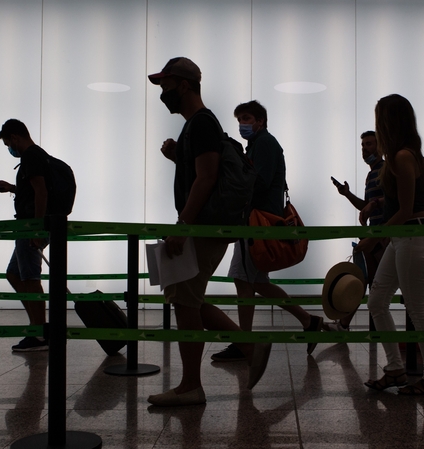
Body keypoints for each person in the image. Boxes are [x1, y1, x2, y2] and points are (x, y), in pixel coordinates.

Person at [145, 57, 271, 407]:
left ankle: (191, 385)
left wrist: (183, 226)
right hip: (204, 224)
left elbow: (207, 178)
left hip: (202, 226)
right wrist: (178, 157)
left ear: (184, 85)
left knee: (184, 298)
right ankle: (249, 346)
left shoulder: (201, 123)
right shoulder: (198, 125)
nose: (163, 93)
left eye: (166, 86)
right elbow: (203, 172)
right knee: (186, 296)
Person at [211, 100, 323, 362]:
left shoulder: (264, 143)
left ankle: (245, 342)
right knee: (253, 281)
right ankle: (307, 321)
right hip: (255, 221)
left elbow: (257, 183)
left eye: (246, 118)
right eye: (239, 120)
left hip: (257, 222)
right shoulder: (257, 144)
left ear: (260, 121)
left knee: (244, 279)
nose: (242, 124)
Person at [357, 94, 424, 395]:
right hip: (404, 238)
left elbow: (406, 210)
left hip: (414, 236)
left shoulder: (403, 156)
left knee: (418, 310)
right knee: (377, 301)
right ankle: (395, 369)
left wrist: (373, 237)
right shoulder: (401, 155)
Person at [0, 119, 53, 352]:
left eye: (9, 144)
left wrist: (36, 229)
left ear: (15, 137)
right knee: (14, 274)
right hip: (28, 226)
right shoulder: (37, 156)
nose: (10, 148)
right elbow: (32, 190)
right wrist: (11, 188)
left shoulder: (31, 157)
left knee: (30, 278)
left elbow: (41, 193)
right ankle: (37, 326)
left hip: (30, 227)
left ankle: (39, 334)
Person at [327, 131, 387, 332]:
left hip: (383, 236)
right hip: (374, 236)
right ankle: (345, 324)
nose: (365, 149)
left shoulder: (385, 170)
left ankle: (352, 325)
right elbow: (366, 205)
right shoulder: (371, 174)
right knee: (365, 279)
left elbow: (392, 201)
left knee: (373, 281)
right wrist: (347, 194)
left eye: (369, 144)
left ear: (380, 147)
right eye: (363, 145)